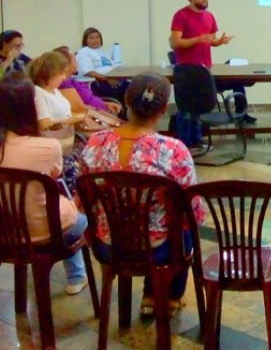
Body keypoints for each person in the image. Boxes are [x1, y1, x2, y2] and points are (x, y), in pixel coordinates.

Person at [77, 73, 206, 315]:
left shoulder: (96, 142)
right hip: (157, 249)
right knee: (186, 227)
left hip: (108, 246)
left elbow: (84, 201)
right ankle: (167, 296)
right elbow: (193, 211)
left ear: (126, 99)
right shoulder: (172, 149)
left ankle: (151, 294)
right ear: (164, 108)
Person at [0, 72, 89, 295]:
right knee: (78, 217)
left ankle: (64, 278)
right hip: (45, 230)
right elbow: (55, 174)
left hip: (2, 232)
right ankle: (76, 277)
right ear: (30, 107)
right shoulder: (47, 147)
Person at [169, 0, 251, 151]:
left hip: (204, 68)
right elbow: (176, 43)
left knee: (199, 108)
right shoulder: (180, 15)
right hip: (186, 69)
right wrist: (197, 39)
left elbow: (210, 40)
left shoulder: (209, 17)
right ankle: (184, 145)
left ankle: (197, 139)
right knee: (185, 110)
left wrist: (220, 41)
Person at [29, 52, 86, 194]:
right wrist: (72, 119)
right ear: (50, 73)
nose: (64, 77)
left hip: (67, 142)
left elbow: (64, 114)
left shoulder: (55, 91)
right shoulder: (39, 92)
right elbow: (45, 125)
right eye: (61, 73)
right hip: (56, 145)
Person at [54, 46, 123, 115]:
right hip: (94, 118)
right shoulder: (63, 83)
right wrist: (104, 114)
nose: (77, 62)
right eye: (74, 60)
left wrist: (105, 104)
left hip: (100, 114)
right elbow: (79, 108)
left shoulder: (71, 80)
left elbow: (89, 100)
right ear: (66, 64)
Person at [76, 28, 130, 103]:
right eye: (92, 38)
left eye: (97, 37)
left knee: (132, 85)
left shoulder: (102, 51)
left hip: (111, 80)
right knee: (128, 87)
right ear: (86, 40)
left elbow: (112, 65)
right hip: (98, 83)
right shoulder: (84, 52)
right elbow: (88, 71)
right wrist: (106, 79)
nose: (95, 40)